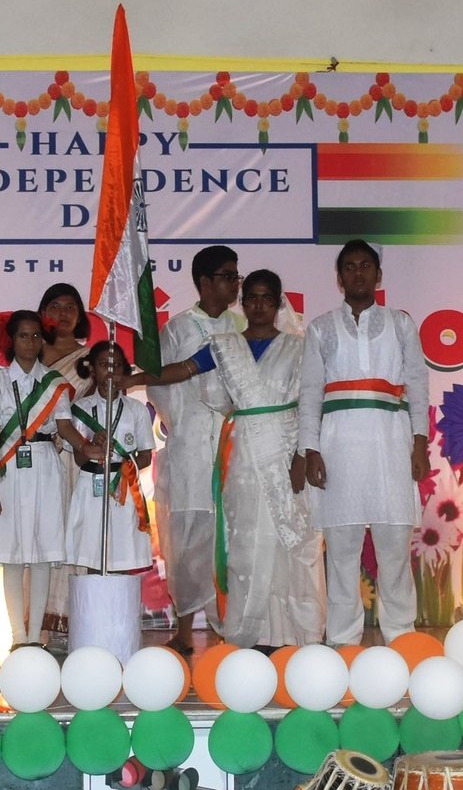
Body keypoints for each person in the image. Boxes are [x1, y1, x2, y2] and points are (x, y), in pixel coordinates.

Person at [135, 270, 324, 650]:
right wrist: (132, 379)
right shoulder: (224, 345)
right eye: (251, 297)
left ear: (278, 303)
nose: (258, 305)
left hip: (285, 449)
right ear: (243, 302)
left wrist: (303, 454)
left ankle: (294, 635)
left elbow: (310, 403)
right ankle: (251, 634)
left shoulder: (299, 347)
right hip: (241, 456)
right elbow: (184, 369)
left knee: (290, 540)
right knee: (245, 540)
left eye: (266, 298)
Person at [299, 239, 429, 646]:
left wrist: (420, 442)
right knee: (341, 553)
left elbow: (418, 384)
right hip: (338, 447)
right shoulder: (320, 328)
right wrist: (310, 449)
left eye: (365, 265)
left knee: (394, 550)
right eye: (350, 267)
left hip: (391, 444)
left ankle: (402, 638)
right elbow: (310, 392)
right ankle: (343, 642)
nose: (358, 273)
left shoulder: (401, 324)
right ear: (339, 278)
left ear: (379, 274)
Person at [145, 245, 244, 653]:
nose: (235, 284)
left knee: (231, 536)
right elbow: (157, 385)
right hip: (188, 445)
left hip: (234, 442)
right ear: (204, 282)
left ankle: (228, 628)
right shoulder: (178, 329)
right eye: (227, 276)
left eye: (236, 276)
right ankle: (185, 629)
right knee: (187, 539)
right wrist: (185, 423)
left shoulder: (242, 326)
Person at [0, 310, 73, 650]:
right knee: (12, 556)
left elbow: (65, 428)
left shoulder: (54, 383)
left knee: (43, 553)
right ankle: (17, 637)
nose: (30, 342)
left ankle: (35, 636)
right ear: (11, 340)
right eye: (23, 336)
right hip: (9, 470)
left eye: (36, 336)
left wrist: (89, 446)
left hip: (45, 466)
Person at [57, 341, 154, 573]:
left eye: (117, 365)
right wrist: (90, 446)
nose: (110, 371)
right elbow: (79, 460)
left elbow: (146, 456)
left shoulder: (136, 409)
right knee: (93, 556)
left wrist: (124, 471)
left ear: (125, 370)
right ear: (92, 368)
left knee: (121, 556)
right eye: (103, 365)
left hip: (124, 489)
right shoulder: (80, 408)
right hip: (91, 486)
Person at [36, 282, 91, 639]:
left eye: (71, 306)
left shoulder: (88, 361)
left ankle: (72, 625)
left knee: (71, 537)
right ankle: (33, 630)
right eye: (55, 306)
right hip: (34, 461)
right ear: (43, 313)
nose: (63, 313)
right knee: (37, 538)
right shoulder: (31, 355)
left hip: (73, 461)